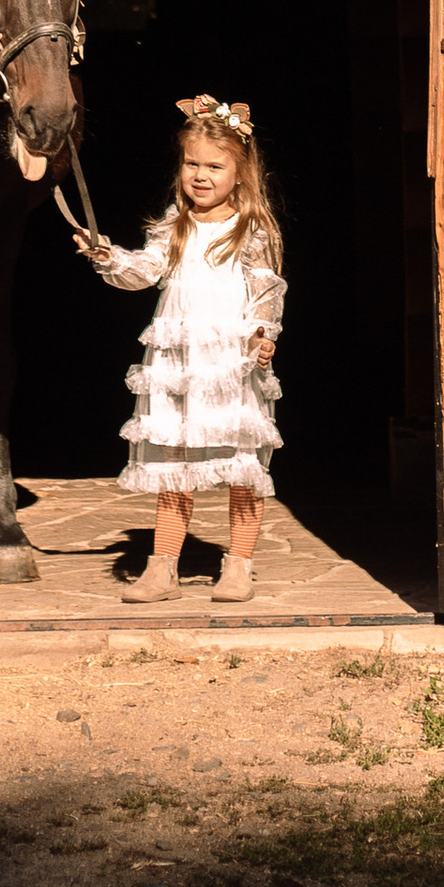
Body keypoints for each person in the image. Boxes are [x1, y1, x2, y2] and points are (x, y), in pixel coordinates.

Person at [76, 91, 284, 605]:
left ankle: (238, 566)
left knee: (242, 469)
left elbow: (266, 291)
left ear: (241, 172)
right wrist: (109, 257)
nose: (201, 174)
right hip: (177, 366)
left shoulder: (250, 229)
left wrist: (263, 338)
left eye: (215, 165)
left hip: (229, 365)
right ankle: (163, 567)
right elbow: (145, 272)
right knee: (174, 467)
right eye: (192, 162)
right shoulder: (175, 224)